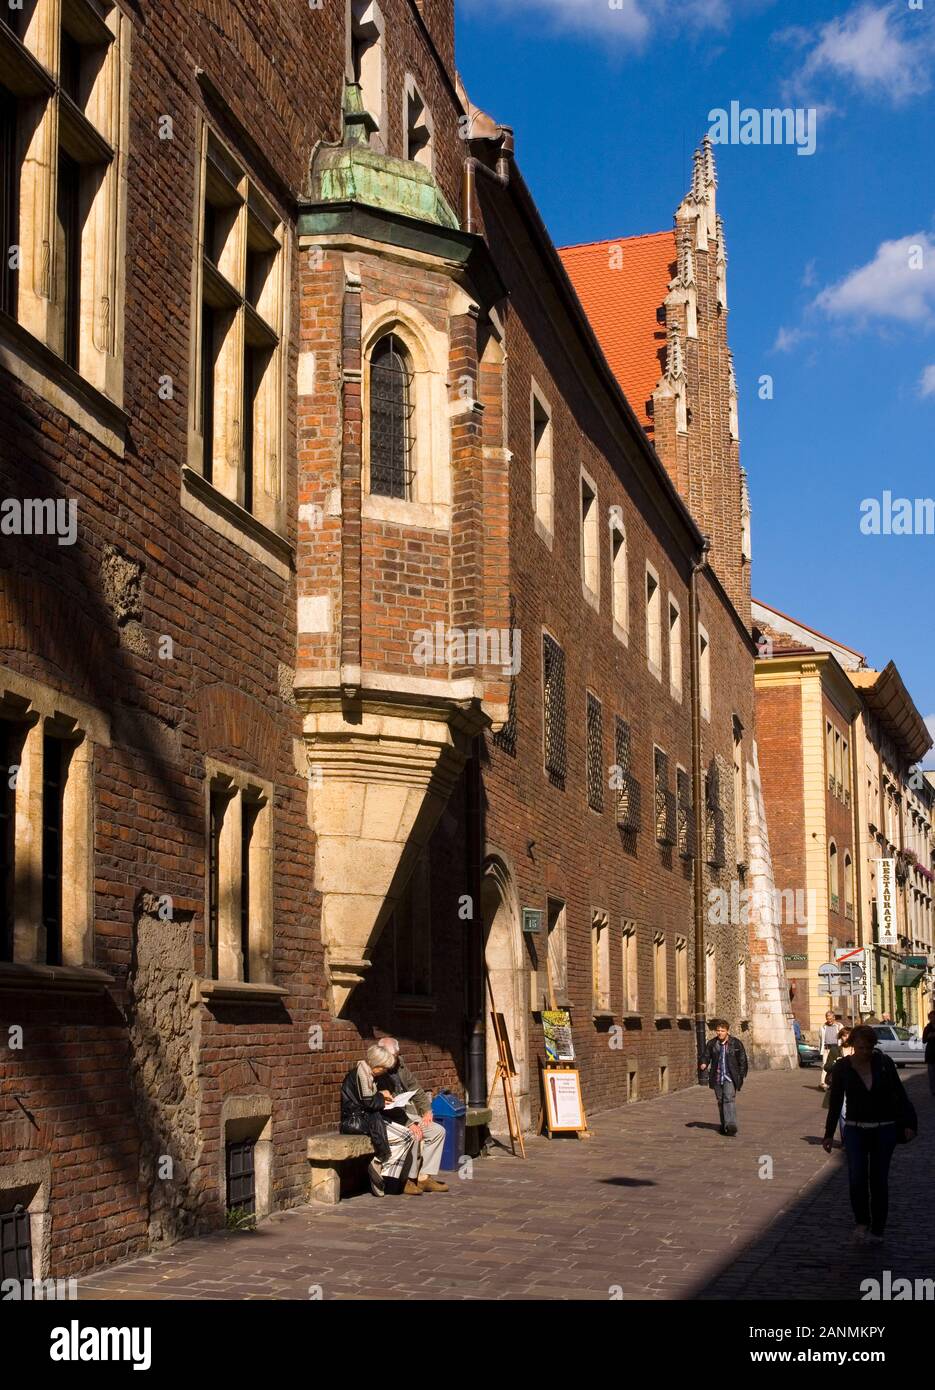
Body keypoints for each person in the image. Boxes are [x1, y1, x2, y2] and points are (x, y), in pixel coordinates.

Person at [822, 1024, 917, 1244]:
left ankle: (878, 1229)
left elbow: (899, 1094)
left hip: (884, 1128)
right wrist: (828, 1134)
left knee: (878, 1180)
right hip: (855, 1129)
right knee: (856, 1178)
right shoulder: (843, 1068)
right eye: (862, 1048)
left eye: (869, 1048)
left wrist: (909, 1123)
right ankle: (862, 1222)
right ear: (852, 1045)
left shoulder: (884, 1064)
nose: (866, 1052)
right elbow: (835, 1102)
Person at [339, 1044, 421, 1197]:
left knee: (408, 1136)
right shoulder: (361, 1074)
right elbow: (368, 1101)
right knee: (406, 1136)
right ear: (376, 1065)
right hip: (357, 1121)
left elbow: (370, 1100)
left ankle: (381, 1170)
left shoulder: (369, 1074)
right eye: (383, 1068)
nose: (384, 1072)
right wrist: (383, 1098)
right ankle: (381, 1165)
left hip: (369, 1117)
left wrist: (382, 1096)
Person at [377, 1036, 449, 1193]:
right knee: (415, 1134)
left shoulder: (399, 1064)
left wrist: (427, 1110)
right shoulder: (378, 1070)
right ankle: (408, 1179)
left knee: (438, 1131)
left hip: (407, 1112)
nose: (395, 1060)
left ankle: (424, 1177)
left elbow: (415, 1088)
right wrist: (410, 1123)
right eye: (393, 1057)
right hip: (391, 1117)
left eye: (396, 1056)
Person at [700, 1019, 748, 1136]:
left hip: (730, 1076)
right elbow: (706, 1055)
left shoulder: (736, 1043)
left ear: (727, 1031)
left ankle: (731, 1125)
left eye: (722, 1031)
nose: (720, 1033)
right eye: (718, 1031)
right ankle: (724, 1124)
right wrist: (704, 1063)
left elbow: (742, 1060)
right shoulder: (712, 1044)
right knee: (721, 1101)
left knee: (729, 1099)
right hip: (717, 1077)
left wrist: (740, 1075)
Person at [818, 1011, 839, 1089]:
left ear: (834, 1018)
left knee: (836, 1065)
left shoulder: (839, 1026)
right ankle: (823, 1083)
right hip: (826, 1049)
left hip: (836, 1048)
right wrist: (821, 1050)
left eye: (830, 1018)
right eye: (827, 1018)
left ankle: (835, 1082)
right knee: (825, 1066)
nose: (829, 1020)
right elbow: (820, 1039)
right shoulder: (822, 1027)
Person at [924, 1010, 935, 1097]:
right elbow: (924, 1041)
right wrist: (929, 1036)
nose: (932, 1019)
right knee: (931, 1074)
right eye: (931, 1017)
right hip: (931, 1053)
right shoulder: (927, 1028)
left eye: (934, 1017)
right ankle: (933, 1090)